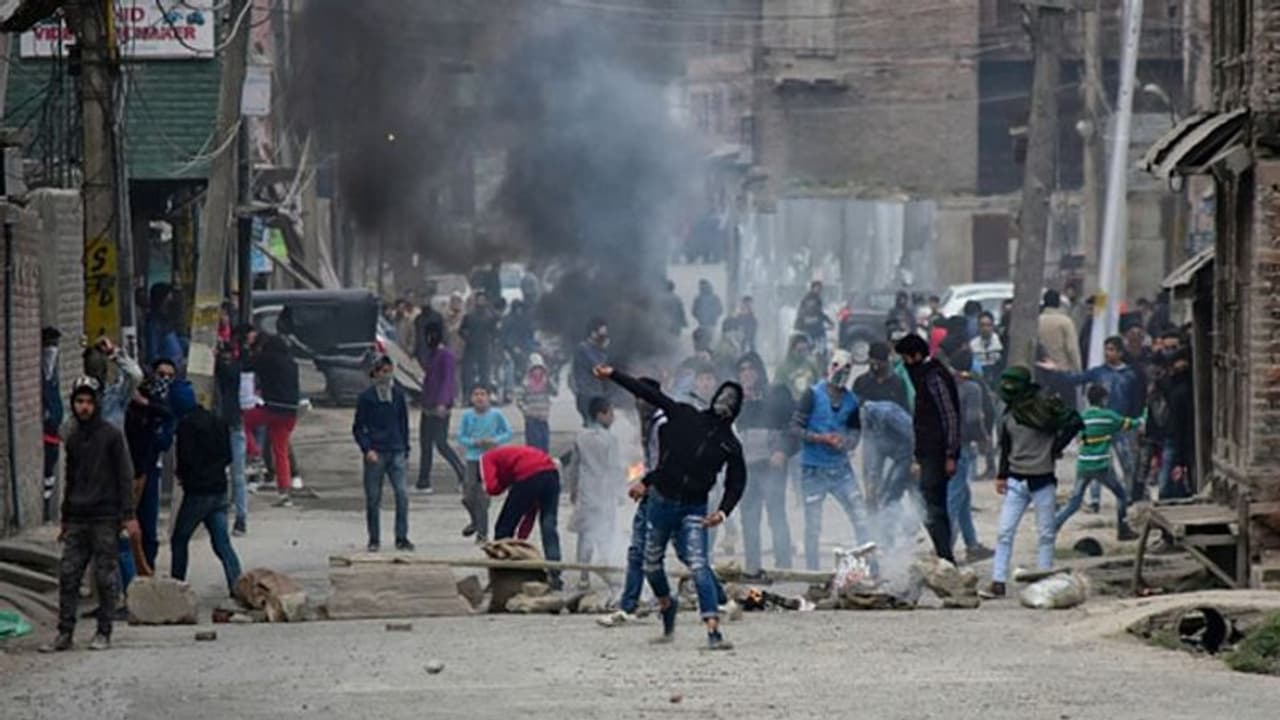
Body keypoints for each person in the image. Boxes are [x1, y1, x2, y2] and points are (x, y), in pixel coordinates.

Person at [595, 364, 745, 651]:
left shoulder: (730, 445)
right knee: (652, 564)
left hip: (694, 508)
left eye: (732, 400)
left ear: (737, 409)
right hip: (661, 502)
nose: (726, 403)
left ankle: (714, 631)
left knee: (699, 565)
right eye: (723, 396)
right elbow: (647, 393)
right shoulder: (685, 415)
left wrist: (723, 512)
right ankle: (668, 610)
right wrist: (614, 374)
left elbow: (736, 484)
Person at [40, 377, 138, 653]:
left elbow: (124, 475)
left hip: (105, 517)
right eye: (79, 402)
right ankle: (64, 633)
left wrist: (128, 515)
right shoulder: (73, 438)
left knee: (105, 578)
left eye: (88, 402)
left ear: (97, 404)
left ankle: (103, 632)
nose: (83, 407)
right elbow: (71, 478)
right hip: (79, 517)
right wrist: (66, 517)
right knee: (68, 575)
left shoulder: (111, 436)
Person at [982, 366, 1082, 599]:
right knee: (1004, 532)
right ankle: (998, 581)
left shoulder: (1046, 409)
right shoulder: (1008, 414)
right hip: (1016, 479)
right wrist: (1001, 474)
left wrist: (1055, 448)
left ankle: (1045, 578)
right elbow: (1006, 447)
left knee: (1046, 534)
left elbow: (1074, 422)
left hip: (1043, 479)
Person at [1038, 336, 1144, 513]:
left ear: (1120, 352)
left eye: (1111, 349)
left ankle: (1129, 496)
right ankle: (1095, 500)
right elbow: (1075, 379)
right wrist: (1056, 371)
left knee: (1127, 462)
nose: (1107, 353)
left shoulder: (1130, 375)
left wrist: (1136, 420)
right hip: (1099, 424)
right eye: (1106, 349)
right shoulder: (1098, 372)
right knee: (1098, 461)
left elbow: (1137, 399)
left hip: (1120, 424)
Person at [790, 350, 871, 571]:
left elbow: (855, 434)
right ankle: (813, 573)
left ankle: (869, 570)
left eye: (846, 369)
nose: (841, 373)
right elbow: (795, 428)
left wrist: (845, 442)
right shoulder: (812, 395)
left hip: (840, 468)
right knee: (813, 525)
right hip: (813, 469)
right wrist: (820, 438)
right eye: (837, 366)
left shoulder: (852, 401)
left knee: (860, 517)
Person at [599, 377, 666, 628]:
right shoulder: (649, 423)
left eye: (641, 397)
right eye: (636, 397)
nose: (638, 403)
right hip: (653, 494)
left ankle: (721, 600)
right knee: (637, 551)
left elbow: (664, 463)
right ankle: (628, 606)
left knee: (687, 552)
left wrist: (645, 482)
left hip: (665, 496)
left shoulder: (662, 424)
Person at [169, 379, 243, 596]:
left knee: (180, 539)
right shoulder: (216, 421)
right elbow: (228, 456)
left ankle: (176, 587)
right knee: (222, 543)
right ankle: (237, 585)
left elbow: (185, 461)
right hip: (219, 490)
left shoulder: (185, 427)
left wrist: (186, 477)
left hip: (197, 493)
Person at [895, 333, 960, 564]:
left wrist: (951, 454)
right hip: (927, 453)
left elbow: (949, 416)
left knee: (932, 505)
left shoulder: (934, 377)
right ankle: (944, 553)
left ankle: (945, 556)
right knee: (930, 504)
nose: (905, 363)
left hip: (939, 452)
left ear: (916, 355)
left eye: (906, 357)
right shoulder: (923, 375)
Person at [733, 352, 795, 574]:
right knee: (748, 517)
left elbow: (793, 426)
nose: (747, 373)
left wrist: (782, 451)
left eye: (751, 368)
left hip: (772, 465)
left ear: (759, 371)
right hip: (747, 468)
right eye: (742, 369)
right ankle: (753, 567)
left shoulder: (777, 393)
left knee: (776, 514)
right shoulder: (736, 401)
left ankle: (784, 566)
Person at [1055, 384, 1141, 540]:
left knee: (1074, 502)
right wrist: (1144, 417)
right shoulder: (1108, 416)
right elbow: (1130, 424)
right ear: (1103, 399)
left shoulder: (1082, 417)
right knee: (1121, 495)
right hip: (1101, 465)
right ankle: (1123, 529)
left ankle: (1053, 526)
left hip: (1084, 464)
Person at [353, 356, 414, 552]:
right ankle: (374, 539)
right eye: (382, 371)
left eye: (389, 371)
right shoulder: (366, 398)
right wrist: (367, 448)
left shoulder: (397, 395)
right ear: (375, 373)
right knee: (373, 498)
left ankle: (402, 537)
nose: (386, 376)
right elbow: (358, 428)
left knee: (402, 495)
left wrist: (406, 448)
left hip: (396, 450)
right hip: (376, 452)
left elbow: (403, 424)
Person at [124, 358, 179, 575]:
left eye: (169, 376)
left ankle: (147, 568)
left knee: (148, 524)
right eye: (160, 374)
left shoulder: (162, 409)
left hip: (149, 472)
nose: (164, 380)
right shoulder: (131, 406)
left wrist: (150, 409)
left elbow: (164, 441)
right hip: (127, 471)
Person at [485, 445, 564, 590]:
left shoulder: (488, 457)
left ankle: (499, 574)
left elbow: (491, 488)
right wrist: (521, 541)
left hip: (528, 475)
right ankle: (555, 574)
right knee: (548, 525)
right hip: (551, 473)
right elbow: (529, 515)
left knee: (503, 528)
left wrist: (505, 483)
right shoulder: (516, 454)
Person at [566, 397, 624, 590]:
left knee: (585, 534)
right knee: (604, 533)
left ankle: (584, 576)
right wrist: (620, 492)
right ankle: (607, 572)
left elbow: (574, 467)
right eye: (610, 413)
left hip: (586, 492)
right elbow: (615, 468)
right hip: (604, 493)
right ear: (601, 414)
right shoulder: (610, 439)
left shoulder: (580, 437)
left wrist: (573, 489)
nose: (613, 417)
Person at [948, 348, 995, 562]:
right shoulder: (972, 388)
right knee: (954, 497)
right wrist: (984, 438)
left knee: (963, 497)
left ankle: (972, 545)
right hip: (961, 447)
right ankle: (943, 549)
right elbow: (973, 419)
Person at [243, 333, 301, 507]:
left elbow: (245, 366)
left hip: (272, 408)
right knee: (281, 450)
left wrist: (247, 350)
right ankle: (284, 493)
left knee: (241, 422)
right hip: (291, 412)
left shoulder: (267, 359)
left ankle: (255, 455)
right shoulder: (292, 363)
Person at [457, 384, 513, 542]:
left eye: (483, 394)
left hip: (491, 460)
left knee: (483, 497)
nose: (479, 398)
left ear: (489, 397)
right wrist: (474, 442)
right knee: (468, 496)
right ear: (471, 398)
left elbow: (508, 432)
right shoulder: (468, 415)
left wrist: (494, 441)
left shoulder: (496, 415)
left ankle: (482, 534)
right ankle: (475, 521)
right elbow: (462, 436)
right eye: (476, 394)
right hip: (472, 458)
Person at [416, 323, 466, 494]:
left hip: (440, 407)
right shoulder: (432, 355)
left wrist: (443, 402)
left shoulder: (446, 356)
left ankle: (463, 475)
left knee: (441, 443)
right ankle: (423, 482)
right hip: (428, 405)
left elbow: (448, 381)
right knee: (425, 445)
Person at [215, 323, 251, 536]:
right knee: (234, 474)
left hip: (231, 423)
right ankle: (236, 515)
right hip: (227, 424)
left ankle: (240, 517)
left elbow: (229, 372)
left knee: (237, 475)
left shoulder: (233, 370)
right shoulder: (232, 368)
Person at [1159, 348, 1196, 500]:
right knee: (1168, 476)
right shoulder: (1169, 384)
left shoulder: (1187, 386)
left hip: (1185, 435)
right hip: (1172, 434)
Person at [1038, 289, 1082, 407]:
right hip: (1063, 372)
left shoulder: (1037, 321)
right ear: (1058, 303)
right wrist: (1078, 371)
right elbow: (1072, 349)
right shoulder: (1065, 322)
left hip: (1041, 374)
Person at [571, 317, 612, 427]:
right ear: (593, 333)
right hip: (587, 396)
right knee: (593, 428)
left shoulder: (596, 349)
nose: (604, 337)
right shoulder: (584, 349)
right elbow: (600, 368)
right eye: (601, 334)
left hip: (597, 394)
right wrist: (603, 350)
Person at [42, 327, 63, 521]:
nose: (53, 350)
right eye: (49, 345)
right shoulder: (44, 382)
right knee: (48, 470)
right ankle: (45, 509)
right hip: (48, 434)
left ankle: (47, 508)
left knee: (50, 473)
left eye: (55, 345)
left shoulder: (52, 383)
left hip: (53, 434)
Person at [460, 291, 499, 396]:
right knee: (468, 374)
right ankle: (468, 396)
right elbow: (461, 330)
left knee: (485, 374)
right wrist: (468, 339)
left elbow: (495, 332)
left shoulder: (490, 316)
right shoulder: (469, 315)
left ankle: (486, 395)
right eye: (479, 299)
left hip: (485, 348)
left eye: (483, 299)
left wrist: (491, 341)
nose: (481, 301)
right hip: (471, 347)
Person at [854, 343, 910, 412]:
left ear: (886, 362)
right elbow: (854, 407)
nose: (876, 367)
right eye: (873, 363)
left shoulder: (897, 383)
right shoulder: (861, 382)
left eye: (879, 363)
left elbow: (904, 410)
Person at [516, 353, 553, 452]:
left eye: (540, 369)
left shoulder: (546, 382)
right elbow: (519, 400)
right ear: (530, 370)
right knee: (533, 446)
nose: (537, 371)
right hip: (531, 420)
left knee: (544, 444)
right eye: (535, 369)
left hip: (543, 418)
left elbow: (555, 392)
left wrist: (550, 381)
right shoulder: (526, 383)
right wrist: (526, 410)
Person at [775, 334, 821, 402]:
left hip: (810, 402)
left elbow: (819, 384)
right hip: (791, 402)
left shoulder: (811, 364)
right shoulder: (783, 367)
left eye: (805, 350)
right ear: (792, 350)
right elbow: (777, 388)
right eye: (799, 351)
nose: (803, 353)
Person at [794, 293, 834, 361]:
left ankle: (822, 359)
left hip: (819, 335)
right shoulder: (803, 314)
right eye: (809, 304)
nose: (811, 306)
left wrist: (831, 324)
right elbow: (797, 325)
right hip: (810, 336)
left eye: (813, 304)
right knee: (810, 349)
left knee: (822, 350)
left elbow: (826, 318)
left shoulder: (818, 313)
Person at [969, 311, 1004, 384]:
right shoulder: (972, 344)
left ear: (993, 326)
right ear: (978, 326)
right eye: (982, 325)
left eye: (988, 325)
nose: (985, 328)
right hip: (980, 378)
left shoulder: (1000, 342)